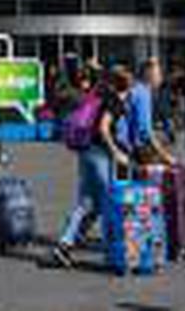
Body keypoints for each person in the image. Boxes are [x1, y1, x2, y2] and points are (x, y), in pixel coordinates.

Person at [51, 67, 136, 269]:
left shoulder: (97, 94)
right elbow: (104, 128)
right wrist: (116, 152)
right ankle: (115, 247)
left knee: (86, 202)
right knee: (111, 200)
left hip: (85, 151)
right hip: (100, 153)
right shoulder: (115, 101)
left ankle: (65, 243)